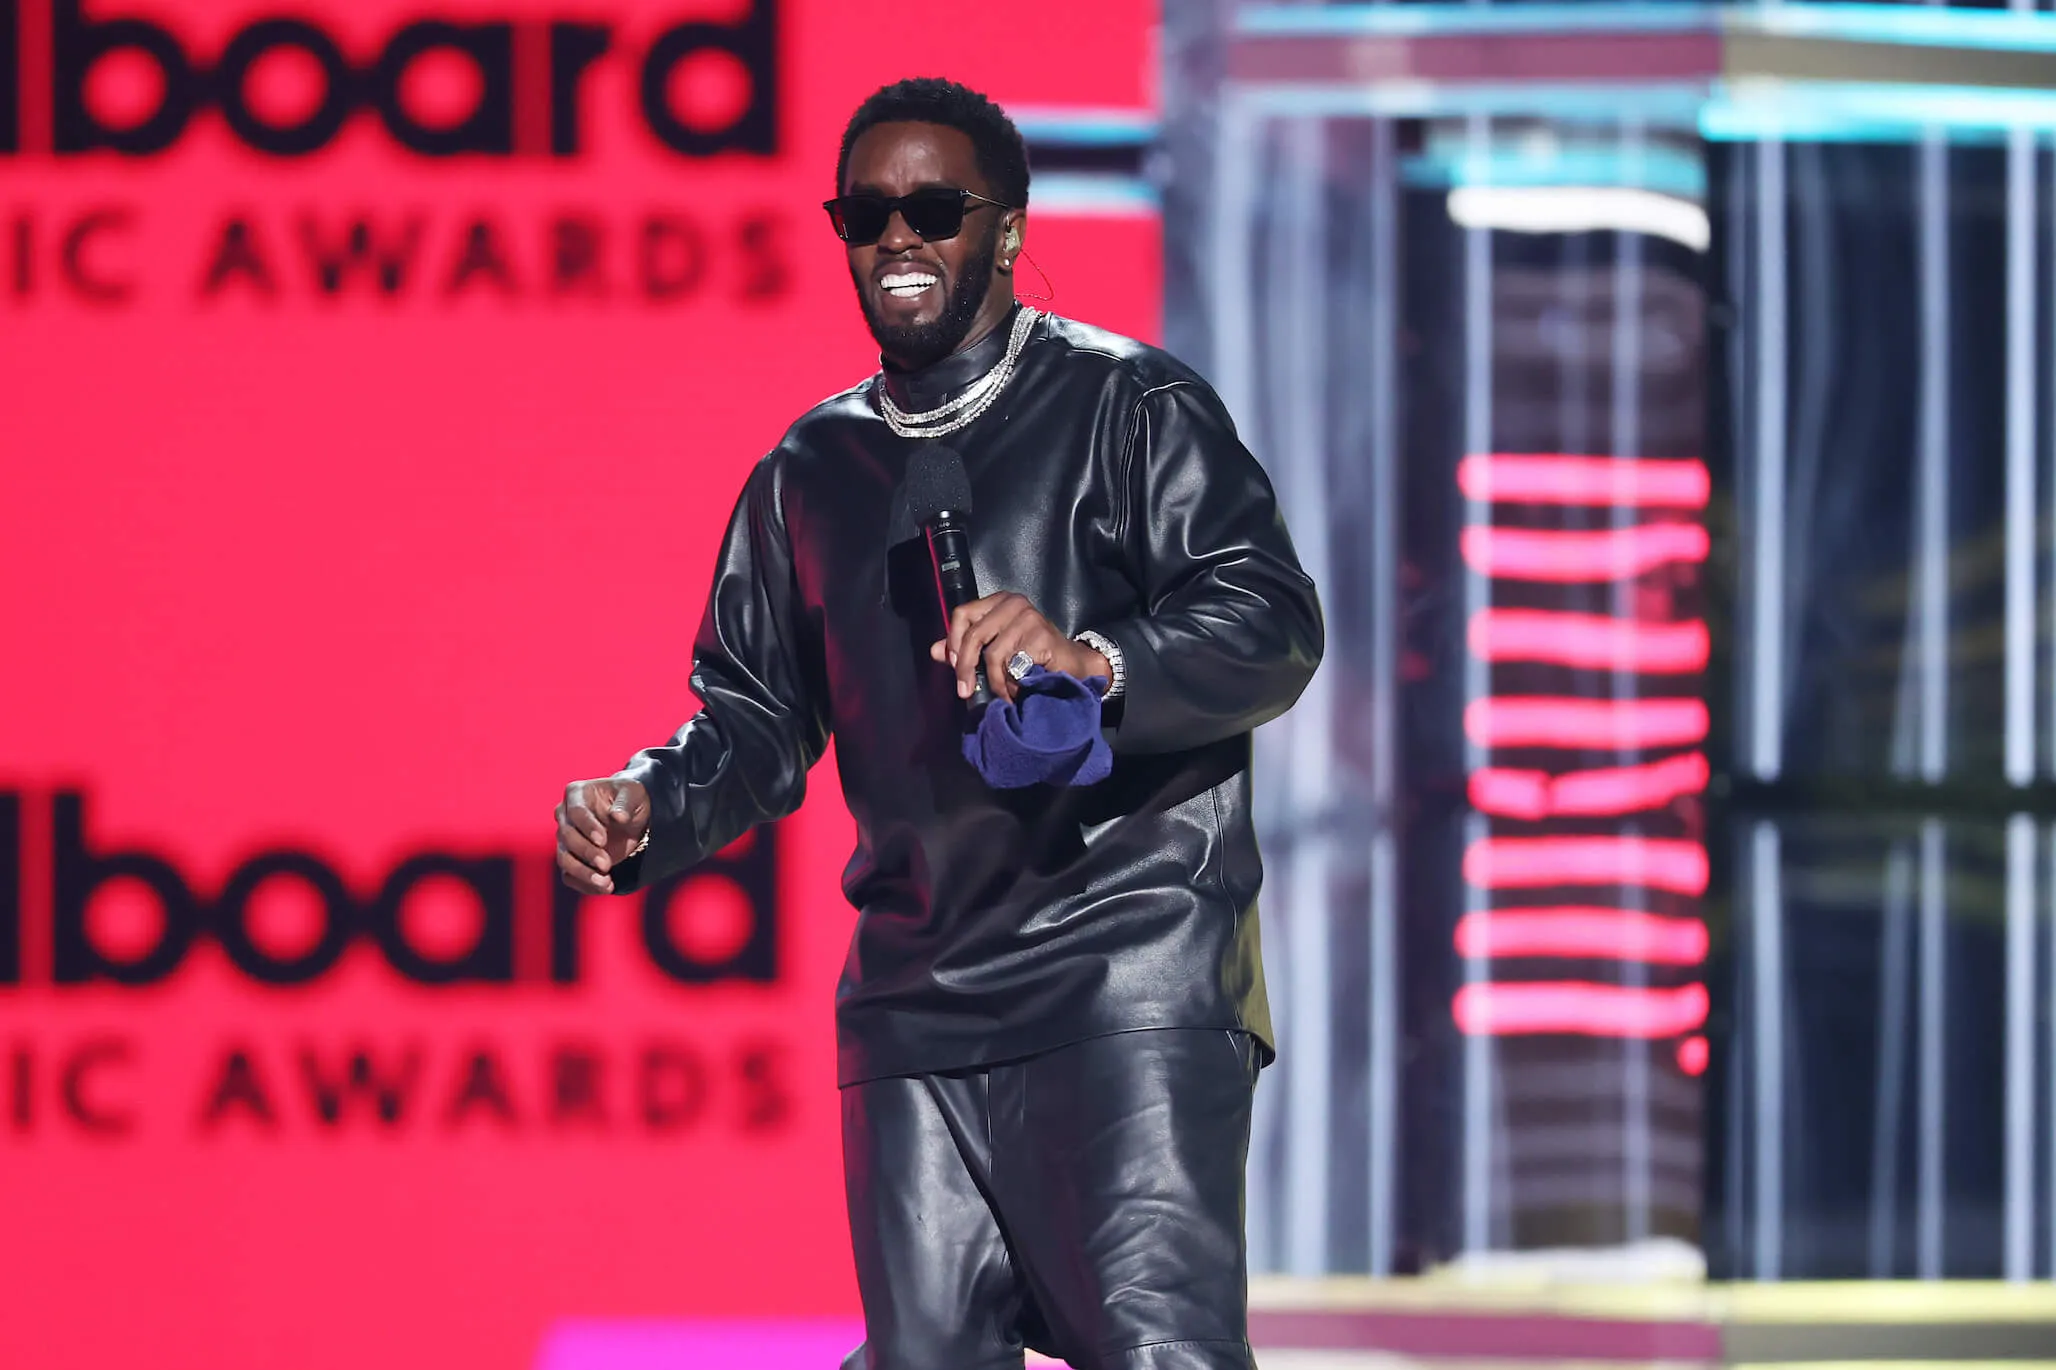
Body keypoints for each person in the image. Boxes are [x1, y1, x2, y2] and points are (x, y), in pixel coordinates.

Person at [554, 77, 1322, 1370]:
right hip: (917, 996)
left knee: (1159, 1354)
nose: (897, 240)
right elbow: (751, 715)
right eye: (867, 214)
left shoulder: (1128, 407)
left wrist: (1096, 658)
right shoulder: (813, 472)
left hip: (1122, 964)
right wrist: (645, 804)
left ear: (1009, 230)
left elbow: (1268, 621)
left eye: (933, 208)